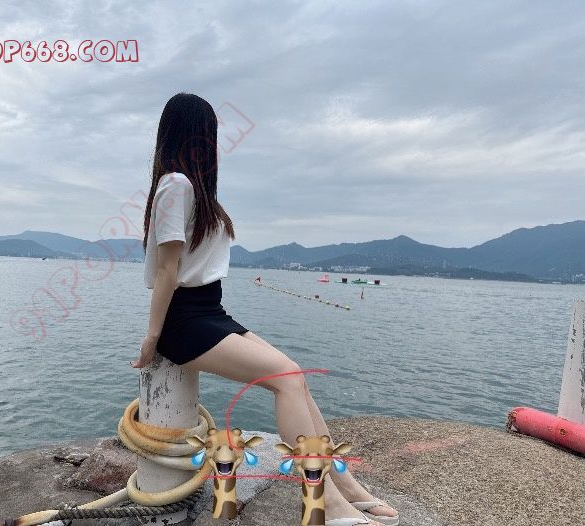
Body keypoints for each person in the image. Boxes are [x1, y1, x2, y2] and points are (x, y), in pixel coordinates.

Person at [131, 92, 399, 526]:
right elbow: (167, 269)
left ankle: (347, 487)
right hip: (184, 320)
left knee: (295, 377)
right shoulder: (176, 185)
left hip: (209, 310)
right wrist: (153, 336)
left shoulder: (192, 190)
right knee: (287, 379)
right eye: (208, 133)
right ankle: (327, 504)